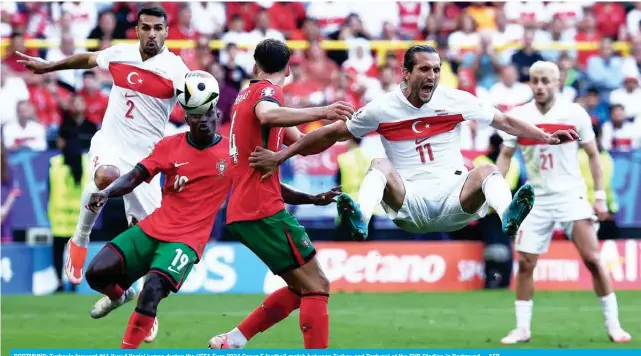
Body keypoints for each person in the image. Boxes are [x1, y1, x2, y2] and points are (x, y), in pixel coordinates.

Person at [248, 45, 578, 244]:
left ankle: (507, 216)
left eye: (436, 69)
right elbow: (328, 135)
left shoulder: (456, 100)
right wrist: (282, 155)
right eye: (424, 69)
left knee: (487, 169)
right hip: (409, 204)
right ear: (405, 73)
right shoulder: (381, 108)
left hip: (455, 201)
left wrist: (545, 137)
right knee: (379, 164)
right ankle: (361, 218)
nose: (432, 75)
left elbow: (506, 121)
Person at [84, 107, 340, 349]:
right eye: (196, 116)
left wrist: (311, 198)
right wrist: (106, 192)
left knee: (152, 290)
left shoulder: (233, 152)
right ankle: (120, 295)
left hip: (186, 240)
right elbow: (134, 177)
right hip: (154, 226)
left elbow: (271, 186)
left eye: (207, 115)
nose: (203, 120)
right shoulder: (169, 146)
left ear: (217, 115)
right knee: (96, 273)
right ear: (187, 119)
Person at [15, 6, 190, 292]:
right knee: (105, 175)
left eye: (158, 28)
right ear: (137, 30)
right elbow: (88, 59)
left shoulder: (177, 71)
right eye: (146, 27)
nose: (152, 34)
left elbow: (196, 108)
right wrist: (50, 66)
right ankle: (80, 239)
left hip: (146, 158)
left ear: (167, 32)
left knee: (149, 235)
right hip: (111, 141)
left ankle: (146, 305)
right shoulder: (122, 52)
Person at [208, 38, 354, 350]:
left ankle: (233, 340)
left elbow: (301, 144)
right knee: (317, 286)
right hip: (263, 211)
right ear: (288, 69)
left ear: (254, 65)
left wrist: (338, 131)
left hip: (247, 208)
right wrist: (325, 110)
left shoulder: (243, 98)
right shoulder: (266, 93)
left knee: (302, 287)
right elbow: (269, 115)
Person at [495, 61, 631, 344]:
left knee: (593, 259)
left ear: (558, 82)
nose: (540, 86)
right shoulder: (518, 116)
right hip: (536, 199)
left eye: (546, 80)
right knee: (526, 263)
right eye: (535, 80)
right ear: (529, 83)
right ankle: (522, 329)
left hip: (571, 195)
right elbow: (506, 156)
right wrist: (497, 191)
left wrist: (600, 196)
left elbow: (594, 155)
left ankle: (614, 325)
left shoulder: (574, 113)